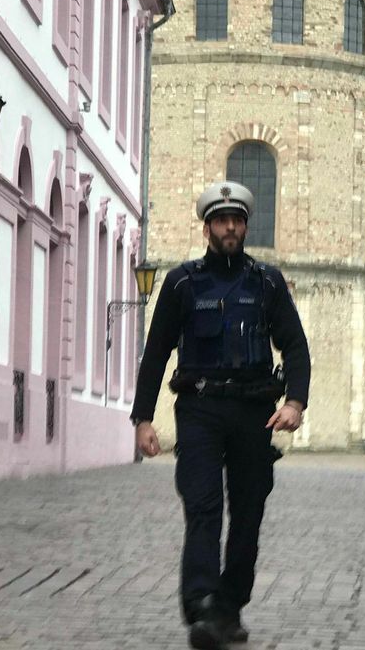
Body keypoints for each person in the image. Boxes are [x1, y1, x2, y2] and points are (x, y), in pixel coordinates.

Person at [131, 181, 311, 650]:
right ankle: (202, 606)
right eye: (221, 220)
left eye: (237, 220)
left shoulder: (267, 282)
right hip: (200, 410)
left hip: (255, 413)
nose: (230, 227)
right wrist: (143, 419)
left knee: (248, 513)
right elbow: (156, 354)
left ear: (246, 225)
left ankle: (230, 607)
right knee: (203, 507)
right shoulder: (183, 283)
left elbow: (294, 345)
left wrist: (295, 402)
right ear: (207, 226)